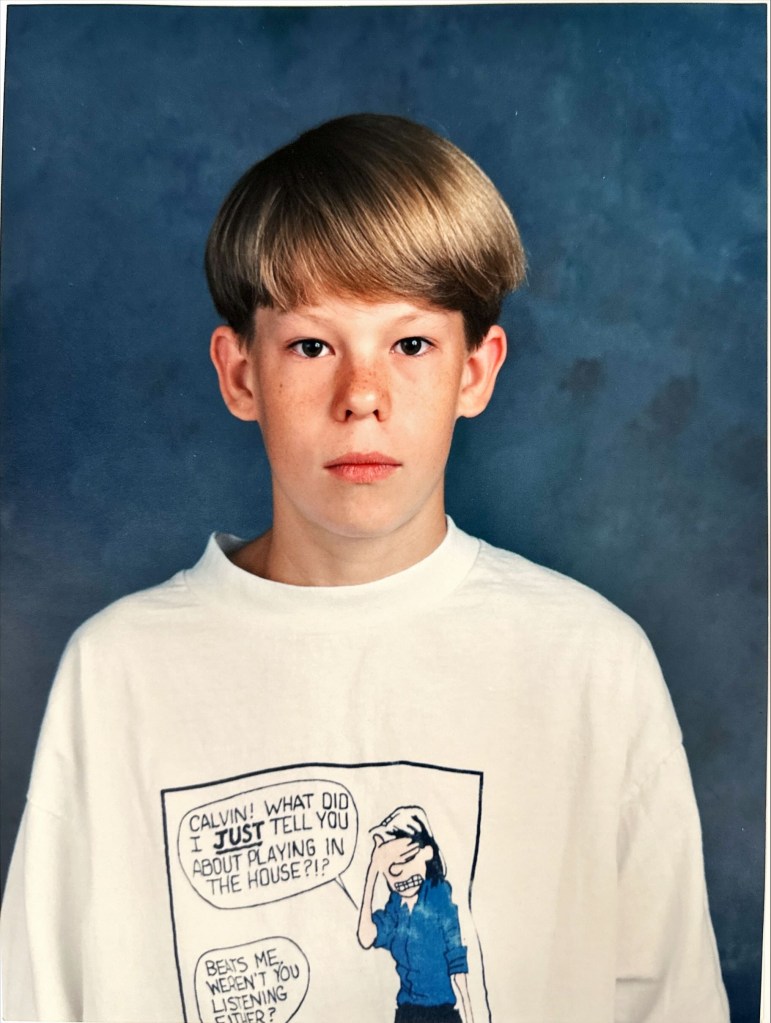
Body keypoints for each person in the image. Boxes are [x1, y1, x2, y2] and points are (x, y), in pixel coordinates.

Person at [0, 114, 729, 1022]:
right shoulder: (117, 674)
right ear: (240, 375)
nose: (362, 398)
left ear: (475, 370)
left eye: (411, 344)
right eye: (312, 345)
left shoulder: (590, 662)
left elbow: (668, 999)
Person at [357, 806, 472, 1023]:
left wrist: (470, 1018)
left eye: (407, 859)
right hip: (408, 1014)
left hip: (442, 1013)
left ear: (427, 853)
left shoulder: (439, 897)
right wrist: (372, 871)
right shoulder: (395, 909)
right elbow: (365, 937)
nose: (398, 873)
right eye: (390, 866)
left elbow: (457, 964)